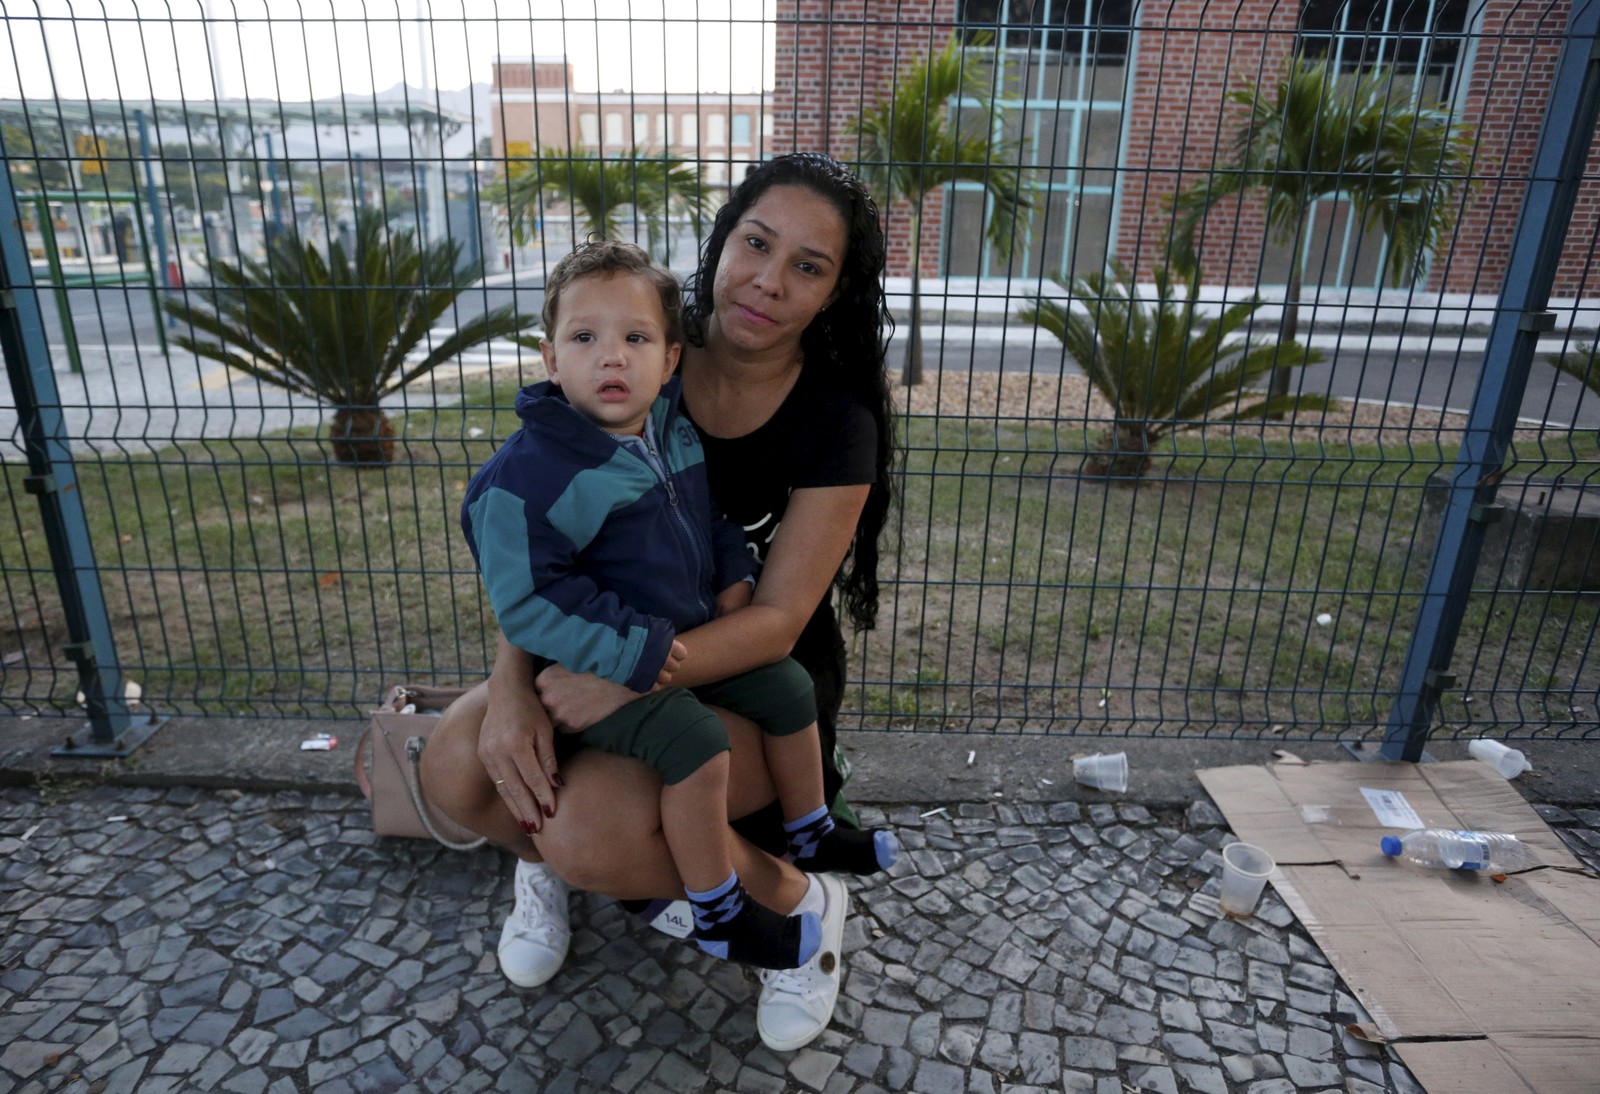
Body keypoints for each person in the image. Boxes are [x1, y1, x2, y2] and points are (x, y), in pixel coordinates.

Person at [421, 151, 895, 1052]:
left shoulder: (837, 426)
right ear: (722, 243)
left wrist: (635, 678)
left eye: (808, 265)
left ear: (835, 293)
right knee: (455, 761)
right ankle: (570, 870)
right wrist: (513, 681)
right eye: (756, 243)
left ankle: (801, 906)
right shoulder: (634, 357)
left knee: (591, 826)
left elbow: (777, 621)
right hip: (612, 647)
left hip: (749, 676)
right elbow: (542, 551)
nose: (768, 280)